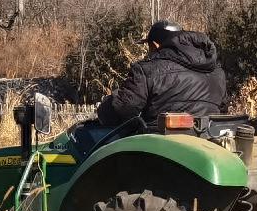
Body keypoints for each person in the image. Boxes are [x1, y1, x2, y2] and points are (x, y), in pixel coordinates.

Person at [93, 20, 228, 132]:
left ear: (155, 45)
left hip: (158, 146)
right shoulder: (217, 73)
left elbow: (123, 109)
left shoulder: (146, 70)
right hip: (207, 140)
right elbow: (222, 109)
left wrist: (106, 106)